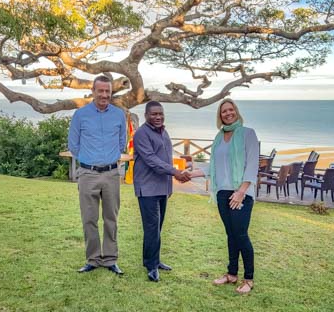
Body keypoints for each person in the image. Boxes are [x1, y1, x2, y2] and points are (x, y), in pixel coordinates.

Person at [189, 98, 259, 294]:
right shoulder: (219, 138)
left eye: (230, 110)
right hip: (222, 192)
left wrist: (241, 192)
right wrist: (189, 173)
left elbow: (252, 166)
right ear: (220, 116)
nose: (227, 113)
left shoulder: (248, 134)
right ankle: (231, 274)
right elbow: (213, 166)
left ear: (236, 111)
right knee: (230, 234)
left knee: (241, 235)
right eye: (223, 112)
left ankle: (249, 279)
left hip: (242, 193)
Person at [68, 75, 126, 275]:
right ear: (93, 91)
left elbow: (122, 142)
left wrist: (109, 158)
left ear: (111, 92)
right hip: (88, 174)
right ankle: (93, 259)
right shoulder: (80, 115)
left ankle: (110, 259)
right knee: (89, 219)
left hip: (111, 174)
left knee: (111, 218)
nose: (104, 95)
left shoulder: (119, 115)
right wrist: (88, 160)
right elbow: (73, 145)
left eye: (107, 91)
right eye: (100, 91)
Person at [133, 101, 190, 282]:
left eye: (160, 114)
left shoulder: (163, 132)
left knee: (157, 227)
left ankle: (153, 260)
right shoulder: (141, 133)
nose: (158, 117)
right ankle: (151, 266)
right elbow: (151, 160)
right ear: (146, 115)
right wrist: (175, 172)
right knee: (151, 228)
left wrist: (169, 186)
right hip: (148, 188)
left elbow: (165, 158)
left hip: (162, 188)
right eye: (154, 114)